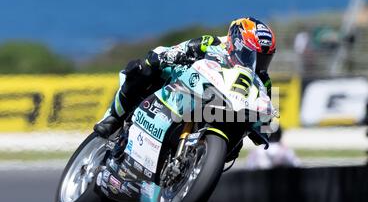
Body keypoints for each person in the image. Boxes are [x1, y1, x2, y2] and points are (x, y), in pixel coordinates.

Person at [94, 17, 277, 139]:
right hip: (186, 89)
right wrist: (168, 57)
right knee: (144, 68)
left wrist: (264, 126)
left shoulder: (262, 81)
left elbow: (266, 124)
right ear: (237, 44)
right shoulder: (213, 43)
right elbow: (180, 49)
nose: (258, 64)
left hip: (222, 115)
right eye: (255, 56)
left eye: (264, 59)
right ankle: (114, 118)